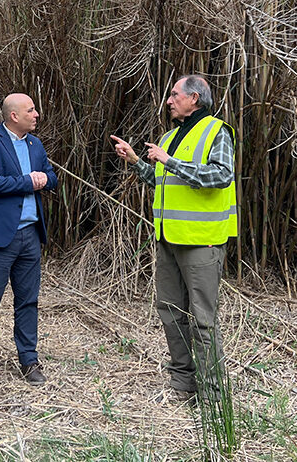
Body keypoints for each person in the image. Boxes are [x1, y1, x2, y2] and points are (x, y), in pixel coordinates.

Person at [110, 74, 236, 405]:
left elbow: (222, 176)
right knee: (170, 312)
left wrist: (170, 161)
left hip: (201, 240)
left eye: (175, 94)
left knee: (204, 322)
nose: (169, 100)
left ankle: (213, 397)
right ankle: (184, 382)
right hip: (167, 238)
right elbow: (163, 181)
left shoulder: (216, 131)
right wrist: (136, 161)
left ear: (195, 98)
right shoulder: (169, 136)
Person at [0, 93, 57, 390]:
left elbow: (51, 177)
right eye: (31, 110)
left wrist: (44, 179)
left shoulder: (35, 143)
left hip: (30, 234)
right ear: (13, 116)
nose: (37, 114)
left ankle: (29, 360)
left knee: (28, 301)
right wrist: (26, 182)